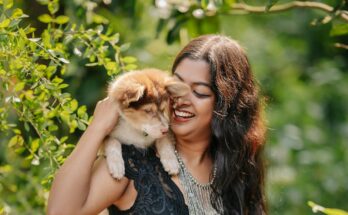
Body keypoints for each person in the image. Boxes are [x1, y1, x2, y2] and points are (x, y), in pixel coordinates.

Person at [47, 34, 267, 215]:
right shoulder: (133, 161)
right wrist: (97, 128)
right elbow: (60, 212)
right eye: (175, 86)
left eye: (199, 92)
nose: (180, 99)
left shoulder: (236, 168)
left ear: (225, 105)